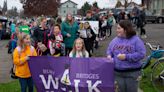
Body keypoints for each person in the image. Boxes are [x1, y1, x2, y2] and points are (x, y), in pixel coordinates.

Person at [106, 20, 146, 92]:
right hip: (117, 73)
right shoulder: (115, 40)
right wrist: (109, 55)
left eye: (119, 28)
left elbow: (141, 54)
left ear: (126, 29)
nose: (116, 30)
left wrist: (126, 57)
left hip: (132, 73)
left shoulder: (136, 40)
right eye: (117, 28)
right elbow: (109, 50)